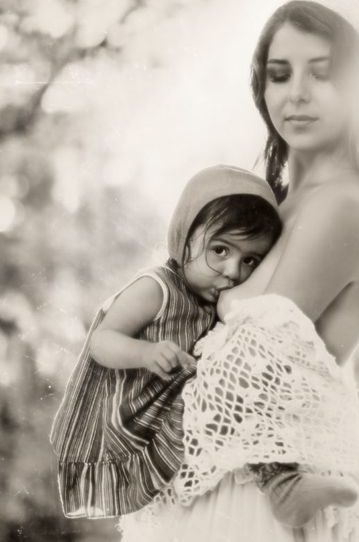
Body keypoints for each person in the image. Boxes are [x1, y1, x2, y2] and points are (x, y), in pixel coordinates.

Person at [119, 0, 359, 542]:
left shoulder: (348, 204)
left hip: (258, 503)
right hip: (221, 484)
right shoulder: (276, 207)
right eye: (280, 73)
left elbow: (250, 371)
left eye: (324, 73)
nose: (297, 94)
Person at [50, 165, 282, 518]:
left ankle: (280, 479)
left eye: (250, 260)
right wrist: (145, 352)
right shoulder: (156, 288)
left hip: (175, 411)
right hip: (126, 413)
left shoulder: (215, 299)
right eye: (220, 250)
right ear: (183, 237)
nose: (234, 271)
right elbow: (101, 340)